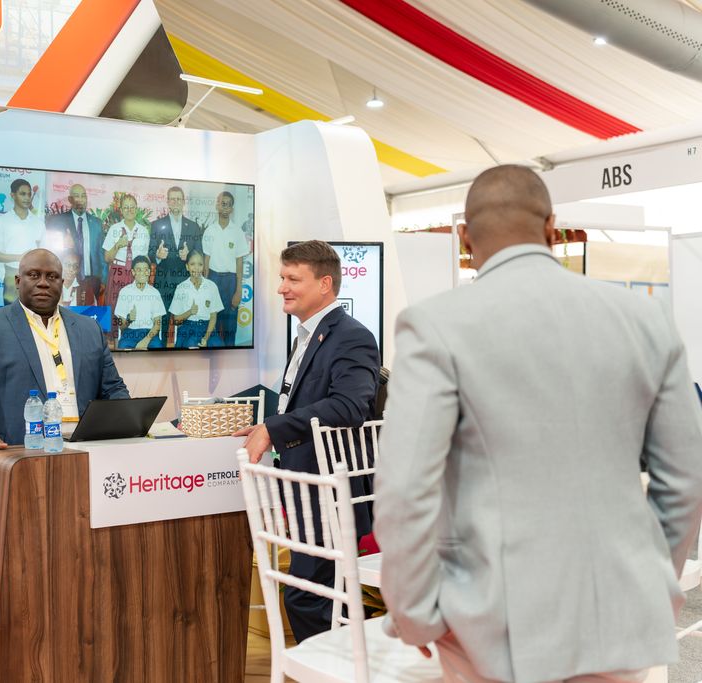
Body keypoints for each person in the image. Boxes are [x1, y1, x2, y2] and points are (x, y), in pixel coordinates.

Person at [375, 165, 702, 683]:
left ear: (465, 237)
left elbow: (404, 490)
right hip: (622, 617)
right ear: (552, 227)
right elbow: (686, 478)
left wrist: (415, 614)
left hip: (493, 623)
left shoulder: (435, 325)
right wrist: (653, 582)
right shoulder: (644, 318)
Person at [234, 240, 380, 643]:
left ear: (325, 284)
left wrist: (274, 428)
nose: (282, 287)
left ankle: (343, 665)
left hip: (330, 490)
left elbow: (350, 407)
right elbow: (306, 403)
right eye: (283, 278)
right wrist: (269, 425)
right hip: (306, 486)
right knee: (319, 597)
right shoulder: (307, 334)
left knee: (308, 597)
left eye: (293, 279)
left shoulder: (351, 337)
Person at [0, 248, 130, 483]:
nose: (43, 283)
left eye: (52, 276)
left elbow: (113, 388)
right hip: (18, 459)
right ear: (18, 281)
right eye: (34, 275)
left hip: (87, 456)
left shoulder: (89, 328)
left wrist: (129, 424)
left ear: (62, 283)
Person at [149, 186, 203, 345]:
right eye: (172, 199)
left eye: (179, 199)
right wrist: (158, 256)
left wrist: (189, 256)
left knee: (186, 319)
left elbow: (199, 252)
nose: (176, 202)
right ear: (167, 202)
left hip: (185, 281)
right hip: (164, 280)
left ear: (183, 202)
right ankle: (163, 351)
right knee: (164, 320)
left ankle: (184, 349)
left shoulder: (193, 227)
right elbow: (150, 252)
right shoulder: (157, 225)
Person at [0, 178, 46, 304]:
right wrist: (19, 257)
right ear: (12, 195)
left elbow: (46, 253)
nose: (27, 198)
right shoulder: (2, 221)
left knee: (36, 314)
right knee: (11, 314)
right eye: (22, 194)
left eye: (29, 194)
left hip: (36, 279)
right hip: (12, 278)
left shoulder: (38, 223)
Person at [202, 191, 250, 346]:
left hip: (230, 282)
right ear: (217, 205)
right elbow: (206, 262)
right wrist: (205, 289)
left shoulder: (237, 232)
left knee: (230, 327)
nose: (225, 207)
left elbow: (239, 263)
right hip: (213, 280)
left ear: (232, 209)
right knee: (213, 325)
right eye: (222, 204)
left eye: (228, 205)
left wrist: (238, 290)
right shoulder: (209, 231)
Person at [46, 183, 105, 300]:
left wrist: (103, 279)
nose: (81, 200)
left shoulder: (96, 223)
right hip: (66, 280)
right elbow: (52, 252)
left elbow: (101, 254)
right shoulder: (58, 221)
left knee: (90, 310)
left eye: (83, 196)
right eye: (77, 196)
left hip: (92, 280)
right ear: (70, 199)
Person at [102, 194, 150, 328]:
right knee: (115, 304)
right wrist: (117, 245)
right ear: (121, 210)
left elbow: (145, 257)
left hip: (136, 273)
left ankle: (131, 334)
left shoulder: (144, 231)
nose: (129, 210)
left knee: (134, 306)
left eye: (132, 207)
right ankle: (114, 336)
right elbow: (107, 258)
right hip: (118, 272)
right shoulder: (114, 229)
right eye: (126, 207)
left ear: (136, 209)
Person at [168, 250, 221, 348]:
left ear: (204, 266)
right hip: (188, 328)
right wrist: (190, 312)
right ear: (187, 266)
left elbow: (213, 317)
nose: (196, 268)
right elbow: (176, 319)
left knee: (218, 347)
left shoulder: (212, 286)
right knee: (191, 346)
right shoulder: (181, 288)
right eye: (192, 264)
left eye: (200, 264)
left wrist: (205, 338)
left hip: (207, 329)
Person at [114, 255, 166, 350]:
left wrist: (145, 341)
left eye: (146, 270)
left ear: (149, 272)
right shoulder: (124, 292)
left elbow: (157, 324)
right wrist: (129, 319)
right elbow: (121, 327)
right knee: (123, 348)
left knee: (157, 348)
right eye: (139, 270)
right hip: (130, 333)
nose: (143, 273)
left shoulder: (155, 293)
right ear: (133, 272)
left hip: (150, 334)